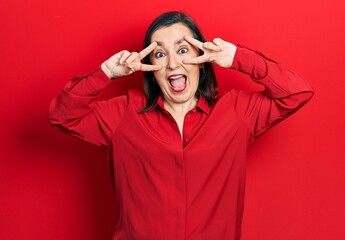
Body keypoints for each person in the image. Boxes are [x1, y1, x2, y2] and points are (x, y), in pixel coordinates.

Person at [48, 11, 314, 240]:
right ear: (150, 65)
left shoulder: (237, 113)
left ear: (202, 57)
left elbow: (297, 92)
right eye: (161, 54)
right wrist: (105, 73)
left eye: (183, 50)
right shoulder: (123, 114)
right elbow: (62, 115)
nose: (173, 63)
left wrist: (238, 58)